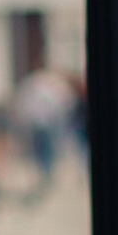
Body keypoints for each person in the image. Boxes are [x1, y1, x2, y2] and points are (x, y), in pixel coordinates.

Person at [12, 67, 74, 202]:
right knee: (42, 152)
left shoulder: (46, 84)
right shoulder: (40, 84)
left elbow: (62, 103)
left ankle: (46, 174)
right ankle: (44, 174)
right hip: (40, 125)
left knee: (46, 151)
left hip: (45, 124)